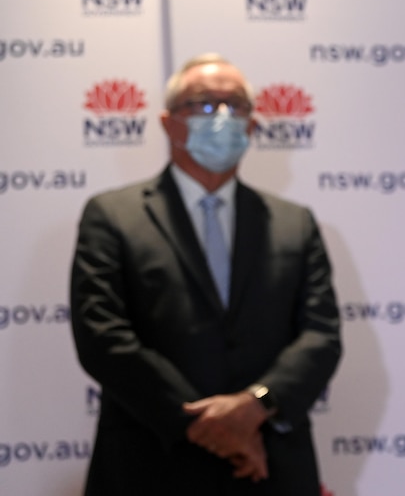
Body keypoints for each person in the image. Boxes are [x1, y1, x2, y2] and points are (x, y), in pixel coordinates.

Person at [70, 53, 342, 495]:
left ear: (252, 126)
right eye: (203, 103)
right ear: (168, 122)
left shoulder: (295, 222)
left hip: (270, 466)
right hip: (151, 463)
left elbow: (321, 335)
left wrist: (255, 407)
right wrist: (212, 426)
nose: (222, 116)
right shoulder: (112, 216)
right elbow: (102, 336)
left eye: (234, 104)